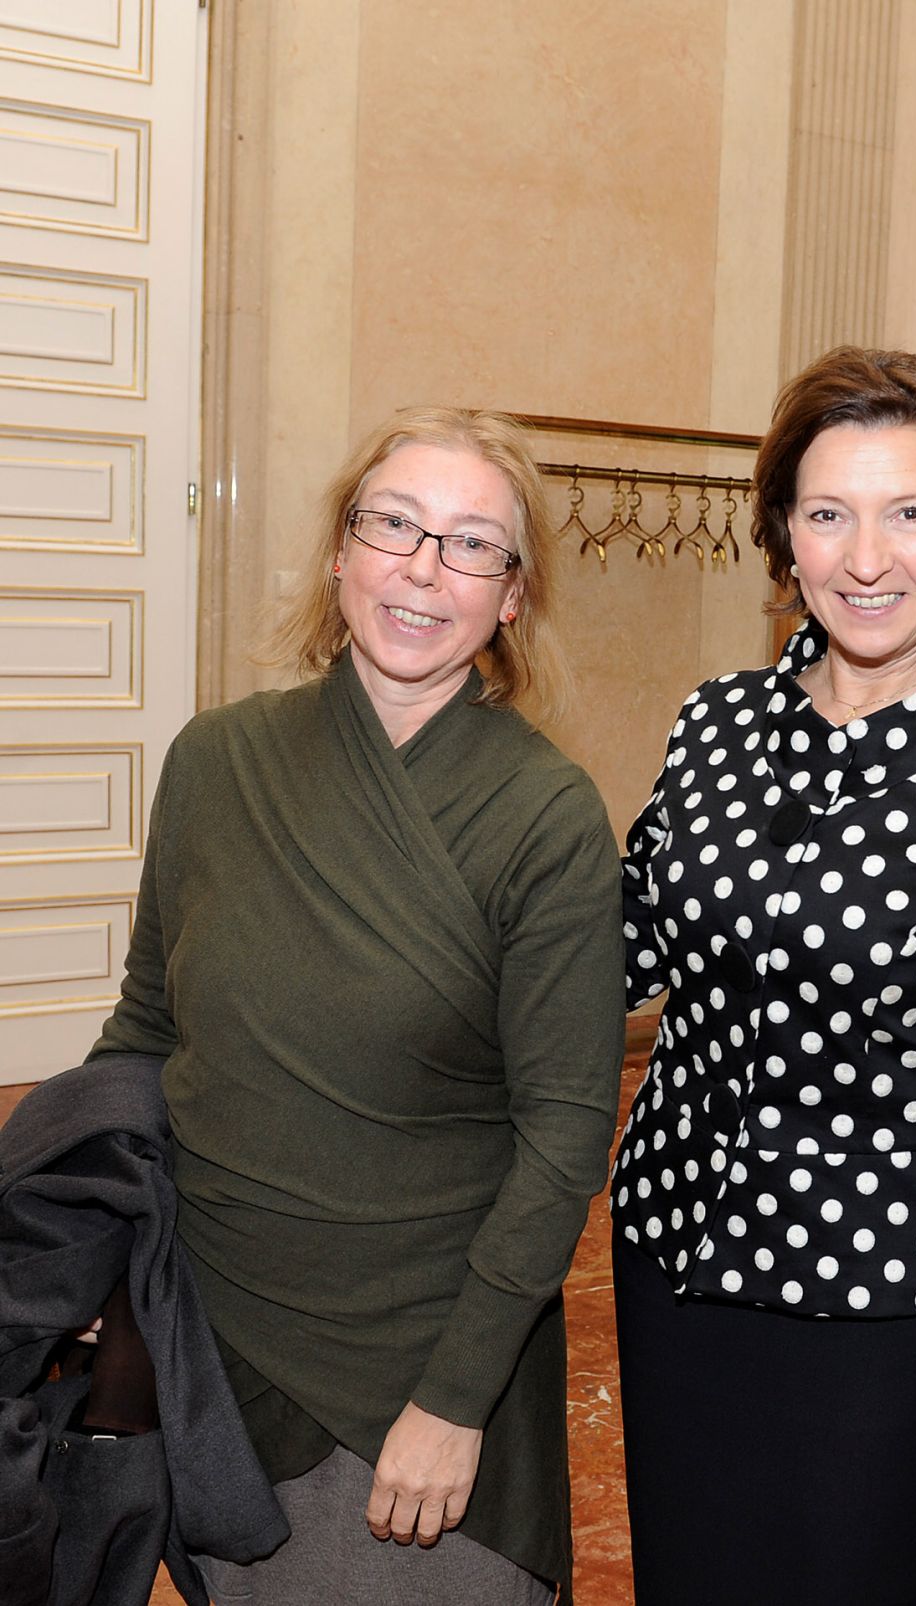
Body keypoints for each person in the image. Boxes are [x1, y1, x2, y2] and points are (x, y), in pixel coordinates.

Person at [89, 408, 626, 1604]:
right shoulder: (213, 763)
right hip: (211, 1345)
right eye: (393, 525)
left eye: (471, 543)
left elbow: (561, 1144)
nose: (423, 568)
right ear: (339, 553)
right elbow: (144, 1028)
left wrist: (451, 1401)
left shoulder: (545, 819)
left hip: (418, 1372)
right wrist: (68, 1229)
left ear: (513, 598)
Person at [613, 346, 916, 1605]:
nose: (866, 557)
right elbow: (622, 947)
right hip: (680, 1270)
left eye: (906, 512)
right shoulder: (712, 724)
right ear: (785, 533)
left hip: (896, 1310)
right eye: (828, 514)